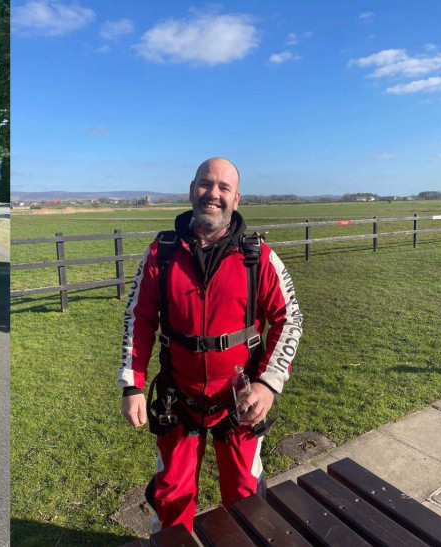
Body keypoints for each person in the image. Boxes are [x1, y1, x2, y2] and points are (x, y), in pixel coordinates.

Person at [118, 157, 303, 533]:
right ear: (192, 190)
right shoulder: (161, 252)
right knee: (172, 497)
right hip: (178, 398)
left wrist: (268, 383)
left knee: (245, 497)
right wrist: (133, 384)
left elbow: (290, 319)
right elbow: (138, 318)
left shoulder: (258, 256)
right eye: (206, 184)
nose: (213, 194)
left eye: (224, 188)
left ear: (237, 199)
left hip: (240, 402)